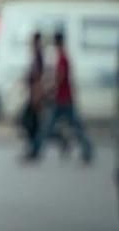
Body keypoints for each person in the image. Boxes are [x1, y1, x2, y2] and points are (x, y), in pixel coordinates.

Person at [42, 31, 94, 163]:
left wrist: (50, 89)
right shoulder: (63, 56)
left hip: (63, 98)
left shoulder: (62, 58)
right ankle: (86, 149)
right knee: (74, 126)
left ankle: (36, 150)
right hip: (64, 97)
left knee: (48, 126)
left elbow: (61, 77)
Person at [19, 32, 46, 161]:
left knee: (30, 122)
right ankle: (33, 149)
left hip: (35, 95)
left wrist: (36, 96)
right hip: (33, 94)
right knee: (34, 124)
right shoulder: (36, 56)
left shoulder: (39, 57)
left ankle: (34, 149)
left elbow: (37, 78)